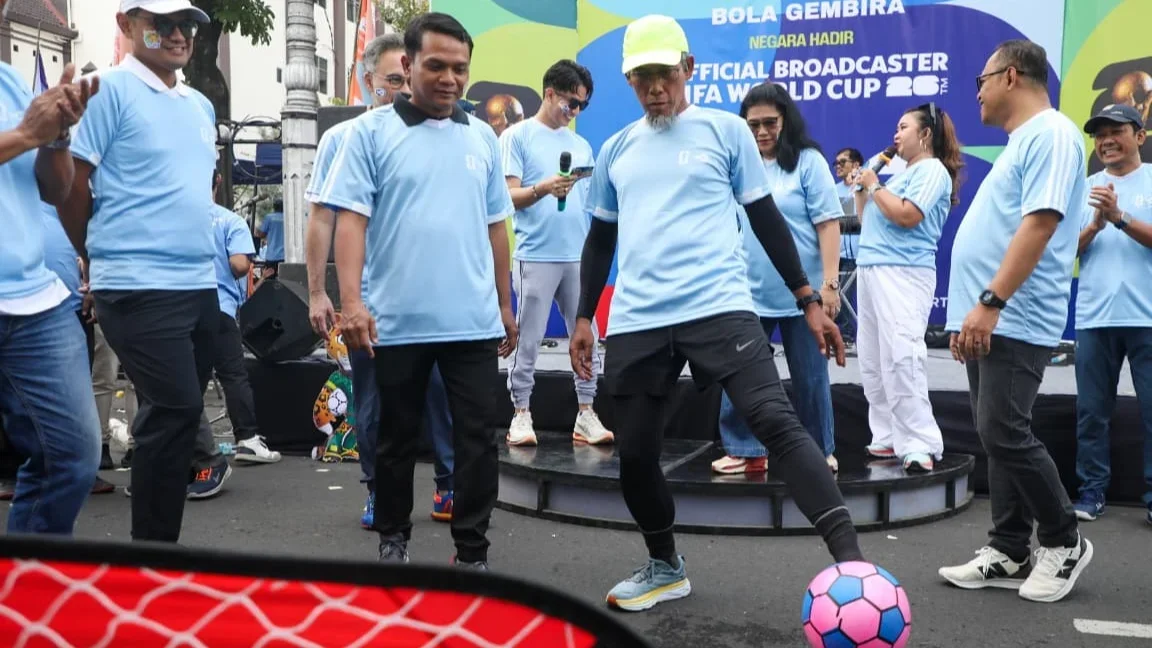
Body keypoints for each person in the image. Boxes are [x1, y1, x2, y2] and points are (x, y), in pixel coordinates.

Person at [570, 14, 863, 611]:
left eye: (664, 73)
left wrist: (808, 299)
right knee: (634, 456)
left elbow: (766, 220)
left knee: (777, 423)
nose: (655, 87)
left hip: (721, 307)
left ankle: (856, 568)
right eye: (641, 77)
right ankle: (665, 565)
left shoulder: (725, 132)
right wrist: (581, 317)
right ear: (629, 81)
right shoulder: (617, 149)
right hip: (638, 318)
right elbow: (601, 238)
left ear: (688, 69)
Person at [321, 12, 518, 569]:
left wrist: (506, 305)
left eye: (460, 68)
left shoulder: (482, 137)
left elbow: (495, 228)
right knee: (394, 440)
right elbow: (350, 223)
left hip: (473, 324)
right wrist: (351, 304)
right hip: (395, 324)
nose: (450, 79)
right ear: (408, 65)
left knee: (478, 442)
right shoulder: (369, 134)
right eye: (436, 66)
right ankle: (393, 541)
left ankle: (472, 553)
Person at [59, 0, 220, 543]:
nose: (178, 35)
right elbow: (73, 185)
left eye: (188, 25)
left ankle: (159, 557)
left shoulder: (199, 104)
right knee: (175, 411)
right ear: (127, 25)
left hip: (199, 283)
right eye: (163, 24)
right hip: (135, 283)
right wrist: (97, 254)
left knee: (173, 419)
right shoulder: (104, 90)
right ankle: (151, 562)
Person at [939, 39, 1093, 603]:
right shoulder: (1023, 142)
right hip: (993, 315)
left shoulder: (1051, 133)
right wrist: (970, 313)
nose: (975, 91)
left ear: (1009, 76)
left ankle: (1064, 540)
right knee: (993, 433)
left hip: (1016, 314)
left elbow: (1041, 224)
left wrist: (992, 301)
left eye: (980, 79)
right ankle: (1008, 547)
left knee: (1004, 430)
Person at [305, 32, 456, 528]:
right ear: (369, 81)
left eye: (407, 76)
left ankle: (448, 486)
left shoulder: (445, 131)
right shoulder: (344, 139)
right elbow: (323, 218)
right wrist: (317, 291)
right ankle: (378, 493)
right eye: (393, 78)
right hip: (368, 305)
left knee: (441, 397)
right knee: (372, 404)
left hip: (433, 302)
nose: (402, 86)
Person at [0, 0, 101, 533]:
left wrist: (59, 134)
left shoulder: (14, 85)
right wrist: (28, 135)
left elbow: (55, 190)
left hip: (34, 300)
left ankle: (26, 591)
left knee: (73, 457)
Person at [711, 82, 841, 475]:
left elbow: (828, 223)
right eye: (753, 125)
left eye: (770, 123)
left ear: (786, 121)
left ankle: (820, 450)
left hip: (804, 296)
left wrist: (829, 285)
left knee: (810, 377)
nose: (762, 132)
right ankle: (745, 449)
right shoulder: (737, 164)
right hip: (746, 292)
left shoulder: (807, 162)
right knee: (739, 376)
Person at [500, 59, 612, 447]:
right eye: (571, 104)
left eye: (582, 106)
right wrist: (543, 189)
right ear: (550, 93)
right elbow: (505, 198)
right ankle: (521, 413)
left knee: (587, 335)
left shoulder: (580, 144)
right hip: (535, 254)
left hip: (577, 256)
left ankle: (586, 412)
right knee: (528, 340)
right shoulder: (517, 137)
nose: (575, 112)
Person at [849, 102, 963, 472]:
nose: (896, 136)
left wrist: (874, 184)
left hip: (903, 272)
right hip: (871, 268)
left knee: (902, 356)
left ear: (925, 134)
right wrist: (863, 190)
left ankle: (920, 443)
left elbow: (907, 216)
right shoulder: (899, 174)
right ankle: (886, 435)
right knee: (872, 359)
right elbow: (871, 220)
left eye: (903, 128)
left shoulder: (932, 171)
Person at [1072, 104, 1152, 525]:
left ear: (1139, 136)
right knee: (1091, 413)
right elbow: (1067, 251)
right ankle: (1091, 492)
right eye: (1099, 133)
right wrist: (1096, 225)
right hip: (1095, 318)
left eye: (1115, 130)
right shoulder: (1084, 187)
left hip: (1148, 319)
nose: (1106, 140)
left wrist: (1119, 217)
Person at [38, 203, 116, 494]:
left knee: (76, 395)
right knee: (21, 399)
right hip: (22, 308)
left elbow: (95, 248)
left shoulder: (74, 202)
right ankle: (14, 470)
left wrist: (93, 286)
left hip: (73, 308)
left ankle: (82, 469)